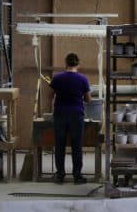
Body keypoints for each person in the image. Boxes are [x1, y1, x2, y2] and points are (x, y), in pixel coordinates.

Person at [50, 52, 91, 184]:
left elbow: (51, 96)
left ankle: (60, 175)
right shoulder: (83, 79)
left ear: (65, 63)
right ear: (78, 64)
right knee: (76, 145)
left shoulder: (57, 78)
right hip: (76, 114)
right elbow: (88, 99)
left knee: (60, 145)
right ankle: (77, 176)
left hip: (60, 113)